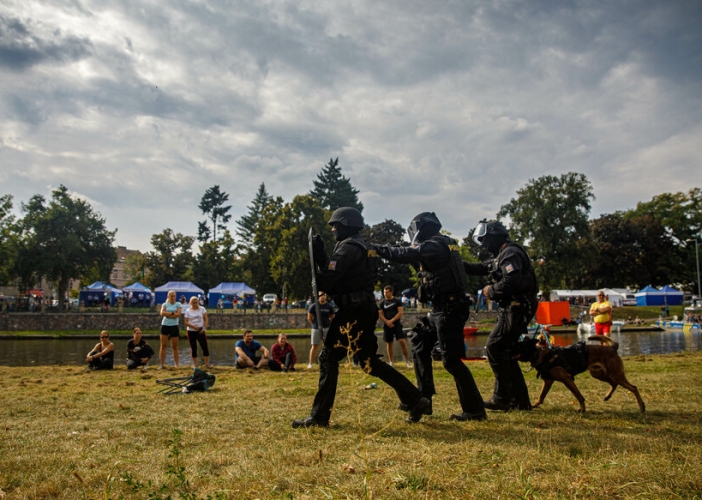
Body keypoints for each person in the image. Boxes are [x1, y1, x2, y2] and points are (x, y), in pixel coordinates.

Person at [292, 207, 430, 428]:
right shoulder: (365, 247)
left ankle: (319, 417)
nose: (334, 229)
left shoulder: (347, 248)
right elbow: (345, 276)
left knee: (328, 358)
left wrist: (318, 259)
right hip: (364, 308)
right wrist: (322, 259)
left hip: (352, 312)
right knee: (369, 363)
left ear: (346, 225)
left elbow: (328, 280)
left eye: (336, 225)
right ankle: (415, 399)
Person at [375, 212, 486, 422]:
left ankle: (475, 410)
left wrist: (377, 248)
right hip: (440, 308)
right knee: (419, 345)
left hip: (450, 309)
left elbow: (405, 253)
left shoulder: (434, 245)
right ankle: (422, 401)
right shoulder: (443, 244)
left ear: (420, 228)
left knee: (451, 361)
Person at [466, 220, 539, 411]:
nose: (483, 244)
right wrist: (458, 263)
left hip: (517, 307)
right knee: (506, 351)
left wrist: (490, 291)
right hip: (513, 307)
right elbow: (483, 268)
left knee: (495, 346)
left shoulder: (510, 253)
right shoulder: (502, 255)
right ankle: (520, 401)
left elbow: (511, 281)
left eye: (484, 239)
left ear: (494, 236)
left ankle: (503, 398)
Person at [378, 285, 411, 368]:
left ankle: (407, 361)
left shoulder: (397, 301)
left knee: (402, 342)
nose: (385, 294)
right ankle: (391, 362)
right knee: (389, 343)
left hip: (396, 324)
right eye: (384, 292)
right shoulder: (382, 302)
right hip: (387, 325)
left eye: (387, 292)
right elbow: (380, 314)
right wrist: (387, 322)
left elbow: (400, 312)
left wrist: (392, 321)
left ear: (391, 292)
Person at [306, 292, 335, 368]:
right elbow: (309, 317)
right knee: (314, 346)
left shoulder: (329, 306)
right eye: (321, 295)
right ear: (318, 296)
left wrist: (330, 325)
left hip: (326, 327)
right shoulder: (314, 306)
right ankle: (310, 363)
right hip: (316, 328)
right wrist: (314, 324)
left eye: (324, 295)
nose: (323, 297)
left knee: (328, 345)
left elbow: (332, 316)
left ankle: (328, 362)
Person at [183, 296, 210, 368]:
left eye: (196, 303)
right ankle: (195, 364)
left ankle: (207, 364)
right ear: (190, 303)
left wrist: (204, 328)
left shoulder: (202, 309)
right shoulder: (188, 311)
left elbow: (206, 319)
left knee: (204, 346)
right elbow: (186, 322)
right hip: (191, 331)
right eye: (193, 303)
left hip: (200, 330)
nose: (195, 304)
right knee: (193, 347)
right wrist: (193, 326)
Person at [159, 290, 183, 369]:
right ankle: (161, 364)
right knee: (163, 345)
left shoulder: (178, 304)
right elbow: (162, 313)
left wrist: (168, 314)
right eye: (171, 296)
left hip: (174, 326)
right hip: (165, 325)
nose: (172, 297)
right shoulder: (165, 304)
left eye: (174, 296)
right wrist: (173, 313)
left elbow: (178, 314)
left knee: (175, 346)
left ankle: (176, 364)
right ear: (168, 296)